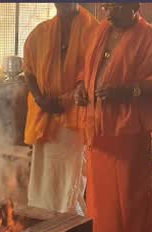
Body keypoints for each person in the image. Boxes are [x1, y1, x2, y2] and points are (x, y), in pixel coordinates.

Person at [75, 2, 152, 232]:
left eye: (117, 7)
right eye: (106, 6)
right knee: (100, 186)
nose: (109, 13)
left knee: (129, 186)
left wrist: (128, 90)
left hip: (128, 126)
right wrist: (81, 86)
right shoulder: (102, 30)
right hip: (98, 122)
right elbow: (87, 67)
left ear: (135, 7)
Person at [23, 3, 98, 214]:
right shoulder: (40, 32)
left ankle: (69, 221)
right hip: (44, 112)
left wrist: (69, 98)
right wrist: (40, 99)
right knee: (43, 172)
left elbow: (95, 73)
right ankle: (41, 218)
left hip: (74, 114)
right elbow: (28, 71)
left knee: (70, 173)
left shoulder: (94, 31)